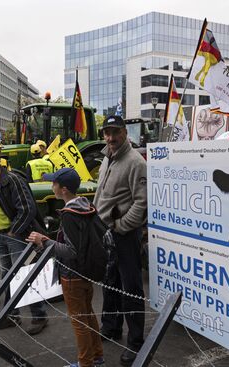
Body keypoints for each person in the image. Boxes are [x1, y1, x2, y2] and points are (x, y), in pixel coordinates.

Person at [27, 168, 105, 367]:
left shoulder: (70, 215)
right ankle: (97, 357)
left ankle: (85, 363)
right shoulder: (86, 205)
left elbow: (71, 251)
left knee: (79, 322)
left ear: (63, 189)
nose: (51, 185)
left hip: (72, 274)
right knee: (88, 315)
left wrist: (43, 241)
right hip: (86, 272)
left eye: (54, 183)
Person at [93, 115, 147, 366]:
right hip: (107, 230)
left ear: (125, 133)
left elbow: (141, 202)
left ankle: (136, 342)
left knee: (131, 287)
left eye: (115, 132)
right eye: (107, 132)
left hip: (125, 234)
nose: (110, 137)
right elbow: (100, 192)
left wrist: (123, 227)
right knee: (110, 281)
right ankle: (111, 326)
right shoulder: (107, 156)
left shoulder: (135, 162)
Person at [0, 150, 49, 335]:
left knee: (24, 275)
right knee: (8, 276)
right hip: (1, 236)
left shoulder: (12, 180)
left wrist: (13, 230)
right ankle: (12, 315)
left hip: (15, 236)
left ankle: (39, 316)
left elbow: (26, 208)